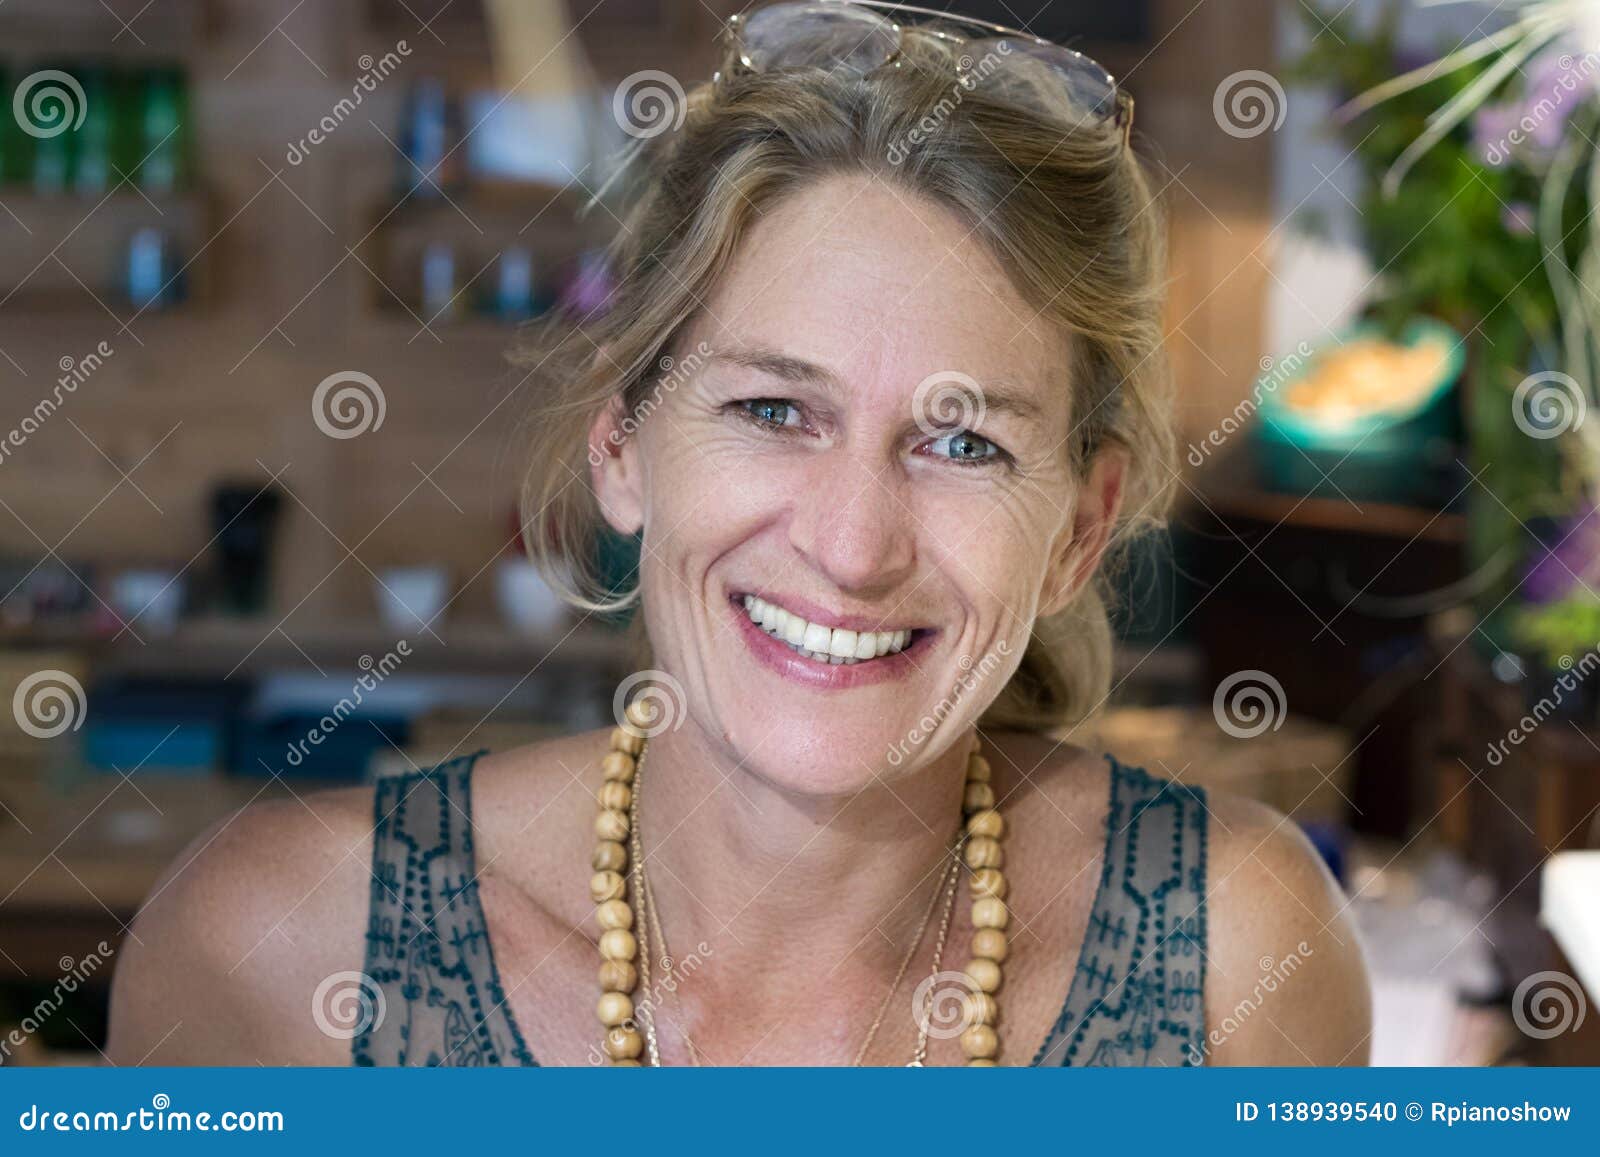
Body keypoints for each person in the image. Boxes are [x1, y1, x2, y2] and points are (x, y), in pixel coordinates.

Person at [109, 0, 1371, 1067]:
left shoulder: (1233, 954)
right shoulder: (275, 950)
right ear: (621, 448)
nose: (853, 543)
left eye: (963, 442)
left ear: (1079, 531)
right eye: (775, 409)